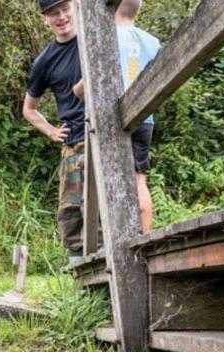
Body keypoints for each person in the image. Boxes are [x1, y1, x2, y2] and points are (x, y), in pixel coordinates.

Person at [72, 0, 160, 232]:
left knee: (111, 181)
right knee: (139, 179)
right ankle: (146, 236)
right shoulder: (152, 42)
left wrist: (76, 91)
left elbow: (87, 86)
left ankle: (114, 238)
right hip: (145, 121)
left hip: (113, 120)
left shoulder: (103, 38)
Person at [23, 0, 87, 256]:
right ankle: (80, 277)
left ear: (76, 7)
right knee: (70, 212)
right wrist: (51, 130)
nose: (61, 17)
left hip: (106, 134)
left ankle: (110, 270)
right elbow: (29, 108)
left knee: (105, 206)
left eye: (65, 9)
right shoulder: (45, 60)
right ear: (45, 19)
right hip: (74, 142)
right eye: (53, 13)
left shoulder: (94, 38)